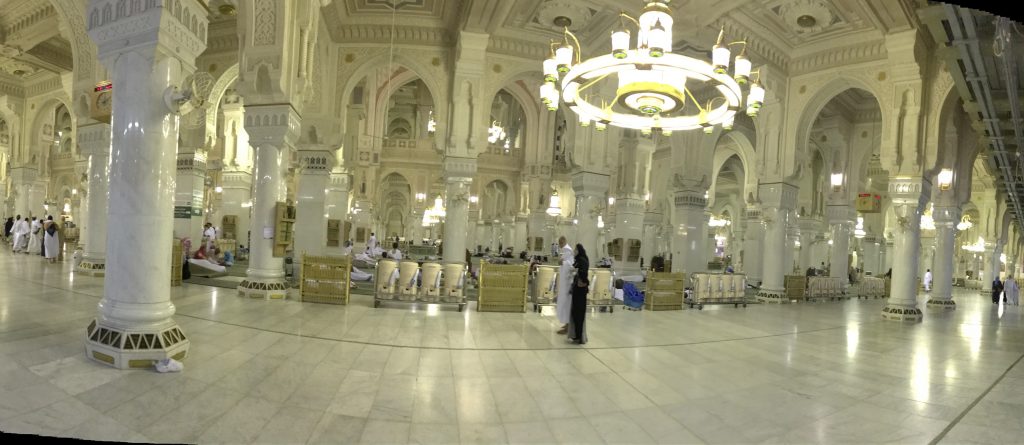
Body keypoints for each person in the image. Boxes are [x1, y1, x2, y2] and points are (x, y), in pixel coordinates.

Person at [568, 243, 590, 345]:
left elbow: (584, 274)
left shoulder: (582, 260)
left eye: (575, 249)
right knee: (575, 313)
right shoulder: (578, 260)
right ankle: (576, 335)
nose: (574, 251)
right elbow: (573, 268)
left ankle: (580, 336)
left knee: (579, 313)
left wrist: (579, 274)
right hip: (577, 290)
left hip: (580, 290)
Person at [556, 236, 574, 334]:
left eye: (560, 242)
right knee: (563, 302)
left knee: (567, 303)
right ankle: (566, 323)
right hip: (563, 282)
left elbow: (571, 265)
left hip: (568, 282)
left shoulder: (568, 250)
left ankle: (568, 325)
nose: (559, 243)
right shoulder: (564, 250)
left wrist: (562, 262)